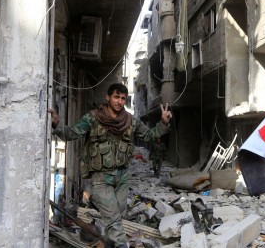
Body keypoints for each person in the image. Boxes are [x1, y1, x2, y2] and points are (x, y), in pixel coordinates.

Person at [48, 83, 172, 248]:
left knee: (118, 217)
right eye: (116, 97)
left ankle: (108, 244)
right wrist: (57, 124)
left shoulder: (130, 121)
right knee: (113, 218)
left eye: (123, 98)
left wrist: (163, 123)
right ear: (107, 97)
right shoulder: (92, 118)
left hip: (123, 177)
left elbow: (150, 135)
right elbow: (71, 133)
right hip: (101, 177)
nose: (120, 102)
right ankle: (122, 245)